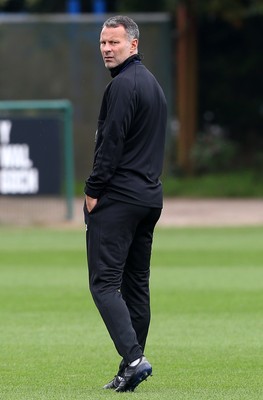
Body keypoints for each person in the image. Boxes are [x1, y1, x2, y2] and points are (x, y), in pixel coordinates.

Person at [83, 15, 167, 392]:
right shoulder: (152, 85)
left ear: (133, 44)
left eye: (114, 42)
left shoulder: (123, 87)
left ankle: (134, 359)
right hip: (149, 198)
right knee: (136, 286)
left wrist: (91, 190)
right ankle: (129, 367)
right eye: (103, 43)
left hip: (120, 199)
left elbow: (110, 145)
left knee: (104, 285)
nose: (106, 49)